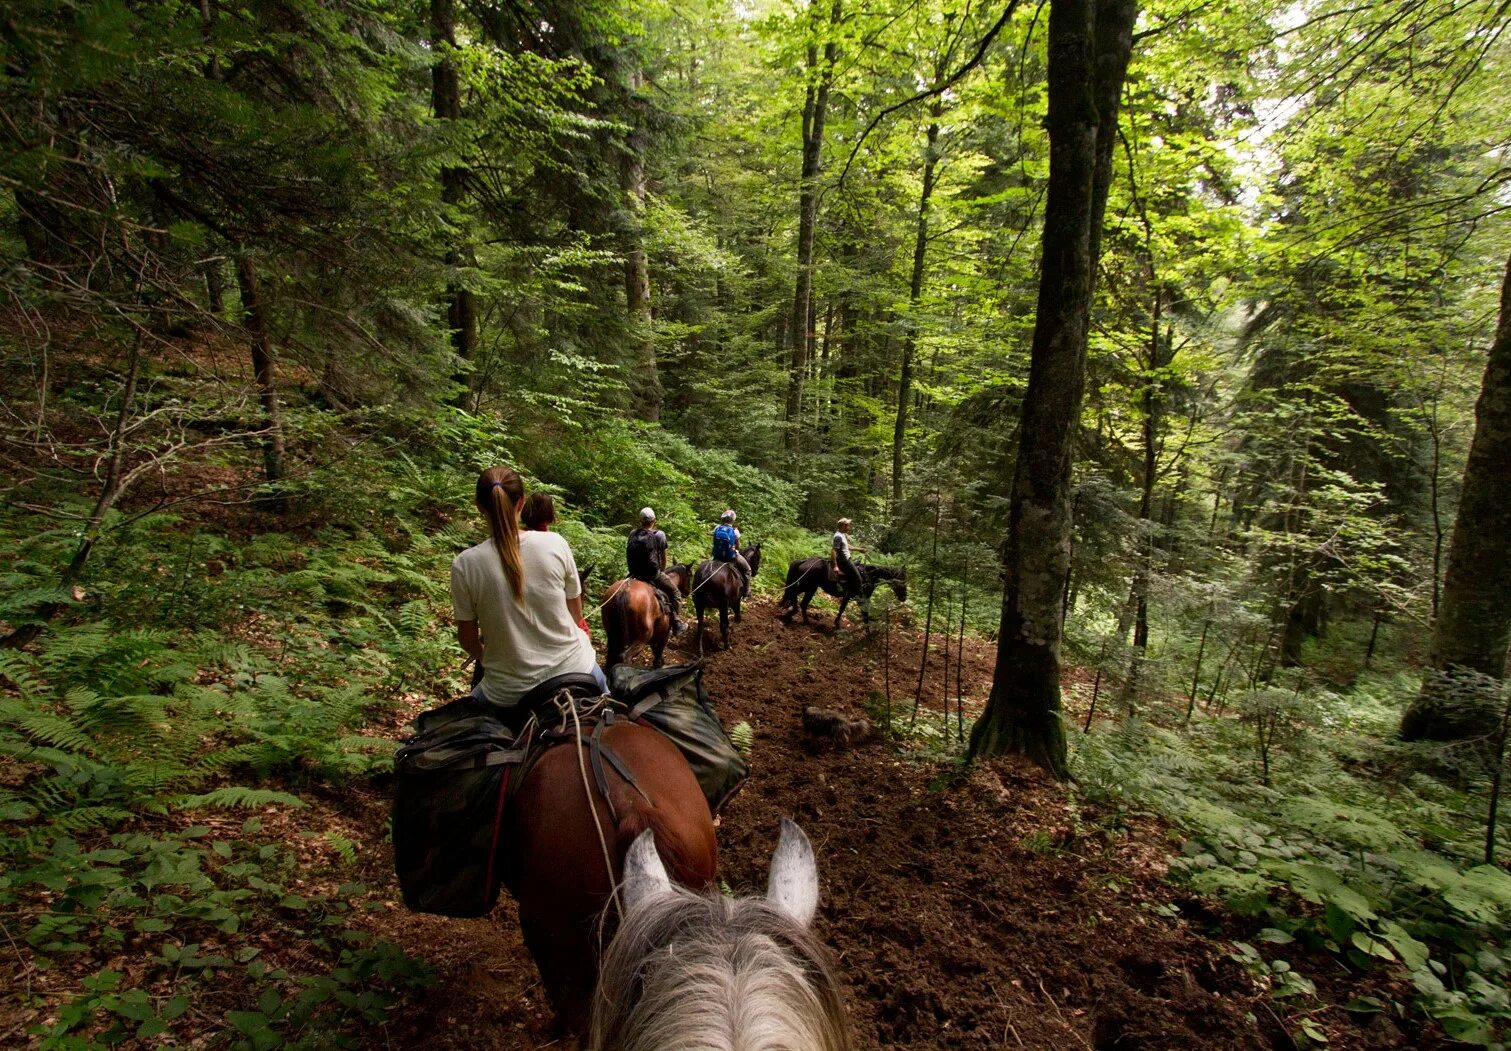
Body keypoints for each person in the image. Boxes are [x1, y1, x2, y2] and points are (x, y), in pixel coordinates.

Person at [451, 466, 607, 711]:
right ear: (521, 503)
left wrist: (492, 657)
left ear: (479, 506)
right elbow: (576, 615)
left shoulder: (465, 565)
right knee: (617, 713)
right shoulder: (555, 543)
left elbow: (468, 640)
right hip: (577, 670)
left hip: (507, 692)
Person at [626, 507, 687, 635]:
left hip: (634, 573)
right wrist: (661, 572)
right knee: (675, 593)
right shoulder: (659, 534)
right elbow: (663, 557)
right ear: (654, 520)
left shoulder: (633, 533)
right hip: (652, 574)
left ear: (641, 521)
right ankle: (676, 623)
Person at [712, 509, 751, 597]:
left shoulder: (717, 528)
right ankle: (746, 592)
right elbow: (738, 547)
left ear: (723, 519)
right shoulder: (735, 531)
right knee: (748, 570)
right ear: (733, 520)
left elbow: (714, 542)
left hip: (717, 556)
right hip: (731, 556)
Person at [831, 517, 864, 599]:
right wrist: (835, 566)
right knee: (859, 578)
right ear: (843, 526)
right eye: (848, 525)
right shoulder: (838, 537)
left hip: (848, 558)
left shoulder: (842, 534)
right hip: (844, 561)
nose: (849, 527)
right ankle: (857, 596)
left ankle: (849, 589)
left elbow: (846, 546)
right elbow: (834, 551)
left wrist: (859, 549)